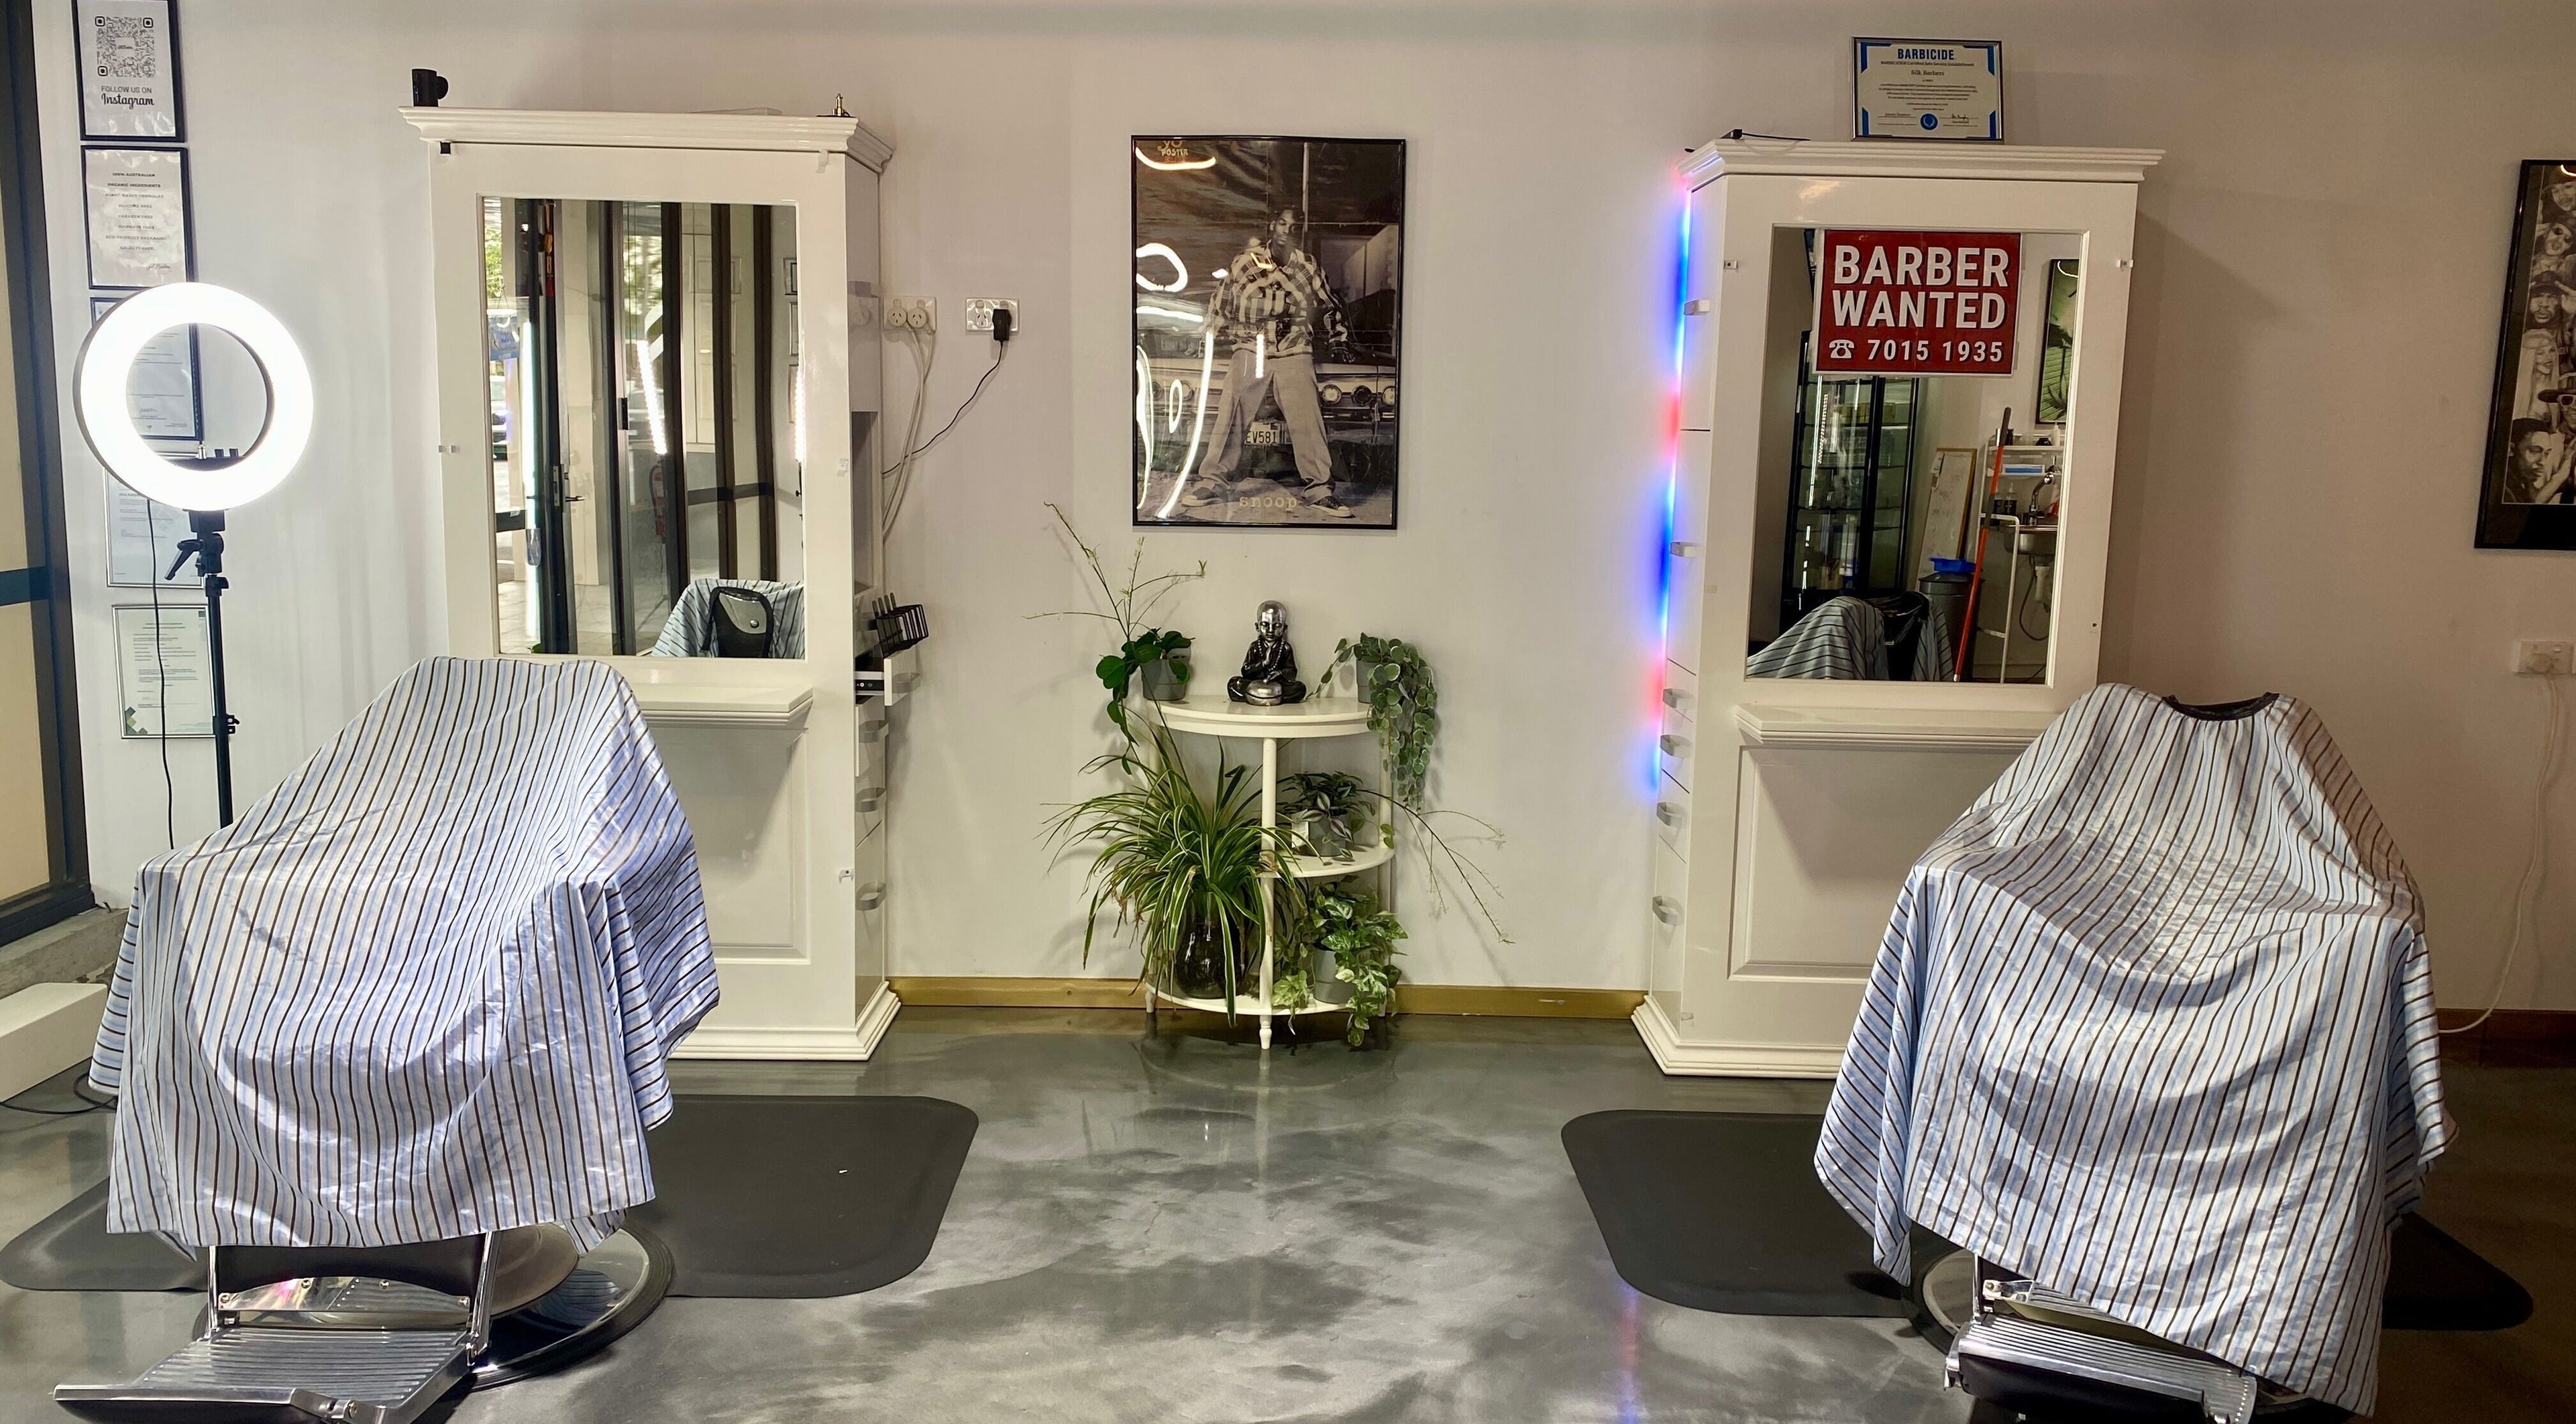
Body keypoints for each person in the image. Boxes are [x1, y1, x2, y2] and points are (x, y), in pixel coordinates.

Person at [1182, 207, 1357, 518]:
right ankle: (1213, 482)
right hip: (1251, 347)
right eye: (1282, 223)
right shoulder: (1244, 262)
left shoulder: (1308, 266)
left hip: (1293, 349)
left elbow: (1330, 305)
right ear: (1271, 226)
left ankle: (1319, 490)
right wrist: (1206, 338)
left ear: (1300, 232)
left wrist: (1339, 340)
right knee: (1231, 412)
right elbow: (1221, 303)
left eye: (1294, 226)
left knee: (1308, 419)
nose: (1286, 231)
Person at [2502, 417, 2573, 505]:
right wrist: (2560, 476)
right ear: (2510, 449)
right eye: (2535, 451)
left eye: (2547, 453)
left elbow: (2532, 501)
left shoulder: (2523, 479)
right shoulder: (2501, 487)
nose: (2543, 462)